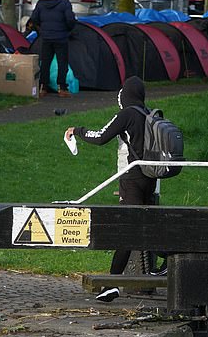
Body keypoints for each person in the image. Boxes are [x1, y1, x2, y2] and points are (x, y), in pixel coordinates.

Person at [65, 76, 157, 303]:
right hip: (151, 178)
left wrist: (77, 130)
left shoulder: (127, 114)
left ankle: (113, 283)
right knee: (144, 225)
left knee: (127, 230)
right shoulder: (149, 114)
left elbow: (101, 137)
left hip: (132, 178)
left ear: (125, 95)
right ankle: (153, 268)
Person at [29, 0, 76, 98]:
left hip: (46, 37)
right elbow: (70, 19)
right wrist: (69, 29)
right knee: (62, 63)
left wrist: (41, 30)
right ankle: (62, 88)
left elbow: (34, 18)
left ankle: (43, 87)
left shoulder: (42, 2)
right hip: (61, 36)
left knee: (45, 62)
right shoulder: (64, 2)